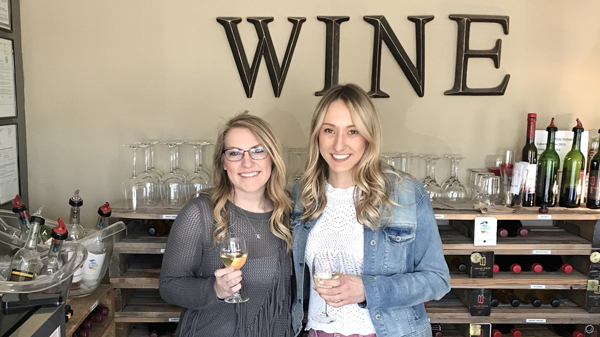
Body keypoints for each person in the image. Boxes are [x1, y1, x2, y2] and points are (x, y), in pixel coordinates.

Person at [290, 84, 451, 337]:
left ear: (368, 136)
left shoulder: (405, 192)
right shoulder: (303, 194)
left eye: (352, 131)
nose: (339, 144)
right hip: (318, 331)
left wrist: (368, 289)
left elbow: (437, 279)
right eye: (329, 130)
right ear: (317, 136)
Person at [160, 112, 294, 337]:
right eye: (234, 153)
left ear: (272, 156)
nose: (247, 162)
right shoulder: (200, 213)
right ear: (223, 162)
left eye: (258, 151)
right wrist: (214, 289)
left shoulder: (289, 213)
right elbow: (169, 286)